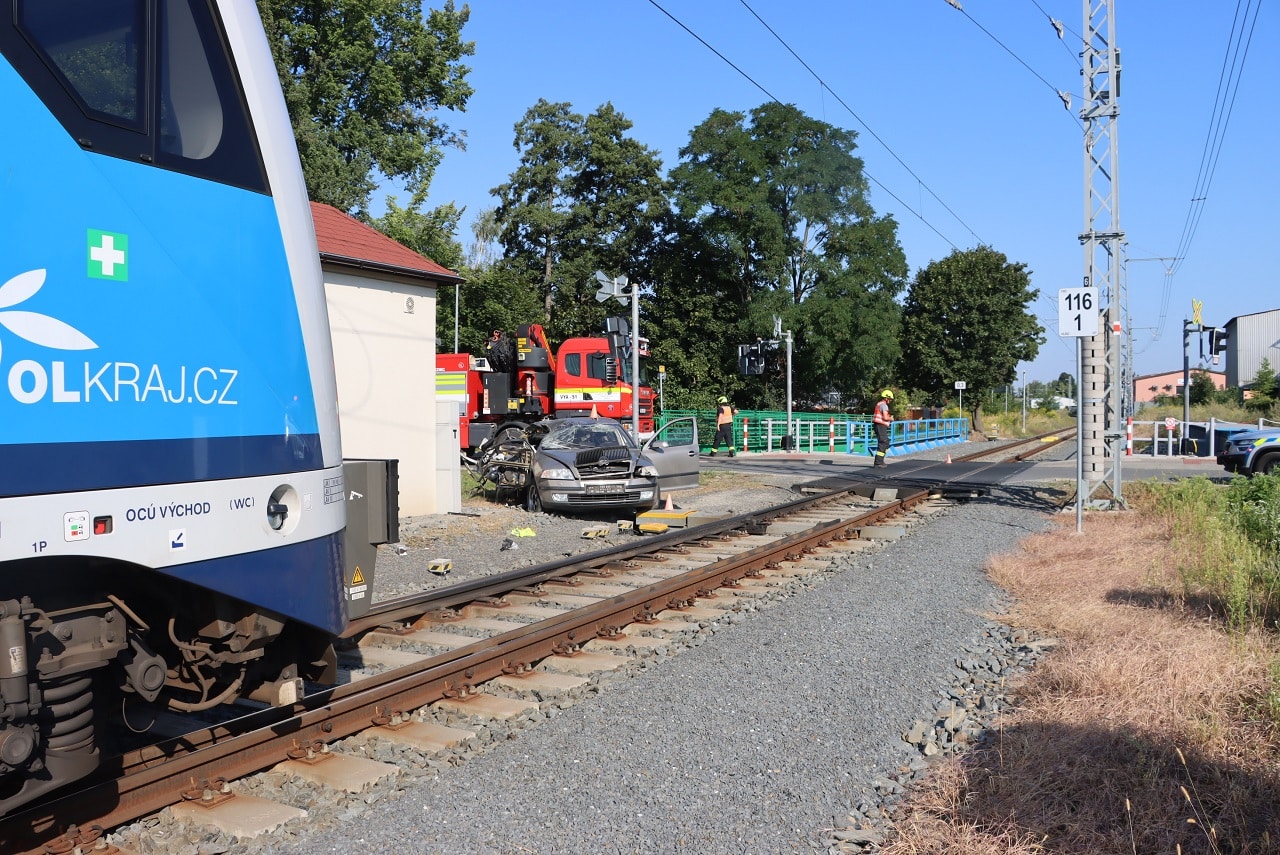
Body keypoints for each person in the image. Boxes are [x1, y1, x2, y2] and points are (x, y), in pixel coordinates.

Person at [872, 389, 894, 466]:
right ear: (886, 397)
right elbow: (885, 417)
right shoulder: (884, 405)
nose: (890, 400)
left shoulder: (879, 404)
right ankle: (878, 462)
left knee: (885, 442)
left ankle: (880, 461)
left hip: (879, 425)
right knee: (884, 442)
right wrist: (891, 418)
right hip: (880, 426)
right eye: (890, 399)